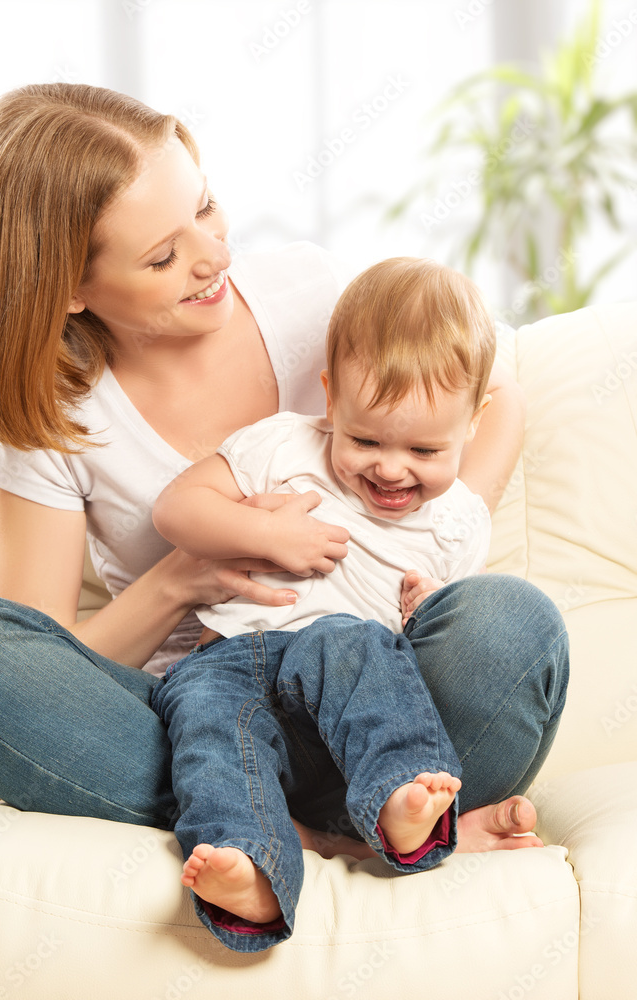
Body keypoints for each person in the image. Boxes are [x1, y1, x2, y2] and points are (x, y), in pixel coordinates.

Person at [0, 84, 567, 893]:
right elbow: (48, 660)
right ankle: (319, 835)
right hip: (205, 718)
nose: (213, 255)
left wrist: (433, 529)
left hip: (385, 697)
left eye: (207, 208)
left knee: (512, 624)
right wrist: (179, 579)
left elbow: (495, 392)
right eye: (162, 257)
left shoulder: (307, 293)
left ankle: (361, 805)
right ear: (70, 289)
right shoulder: (55, 418)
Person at [148, 256, 508, 951]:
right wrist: (265, 530)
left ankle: (402, 801)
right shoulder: (284, 443)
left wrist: (428, 607)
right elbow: (176, 507)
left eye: (425, 449)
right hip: (226, 660)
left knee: (351, 642)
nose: (391, 467)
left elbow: (448, 636)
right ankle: (248, 867)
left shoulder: (459, 521)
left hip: (336, 691)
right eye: (365, 438)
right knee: (208, 731)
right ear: (330, 397)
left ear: (475, 420)